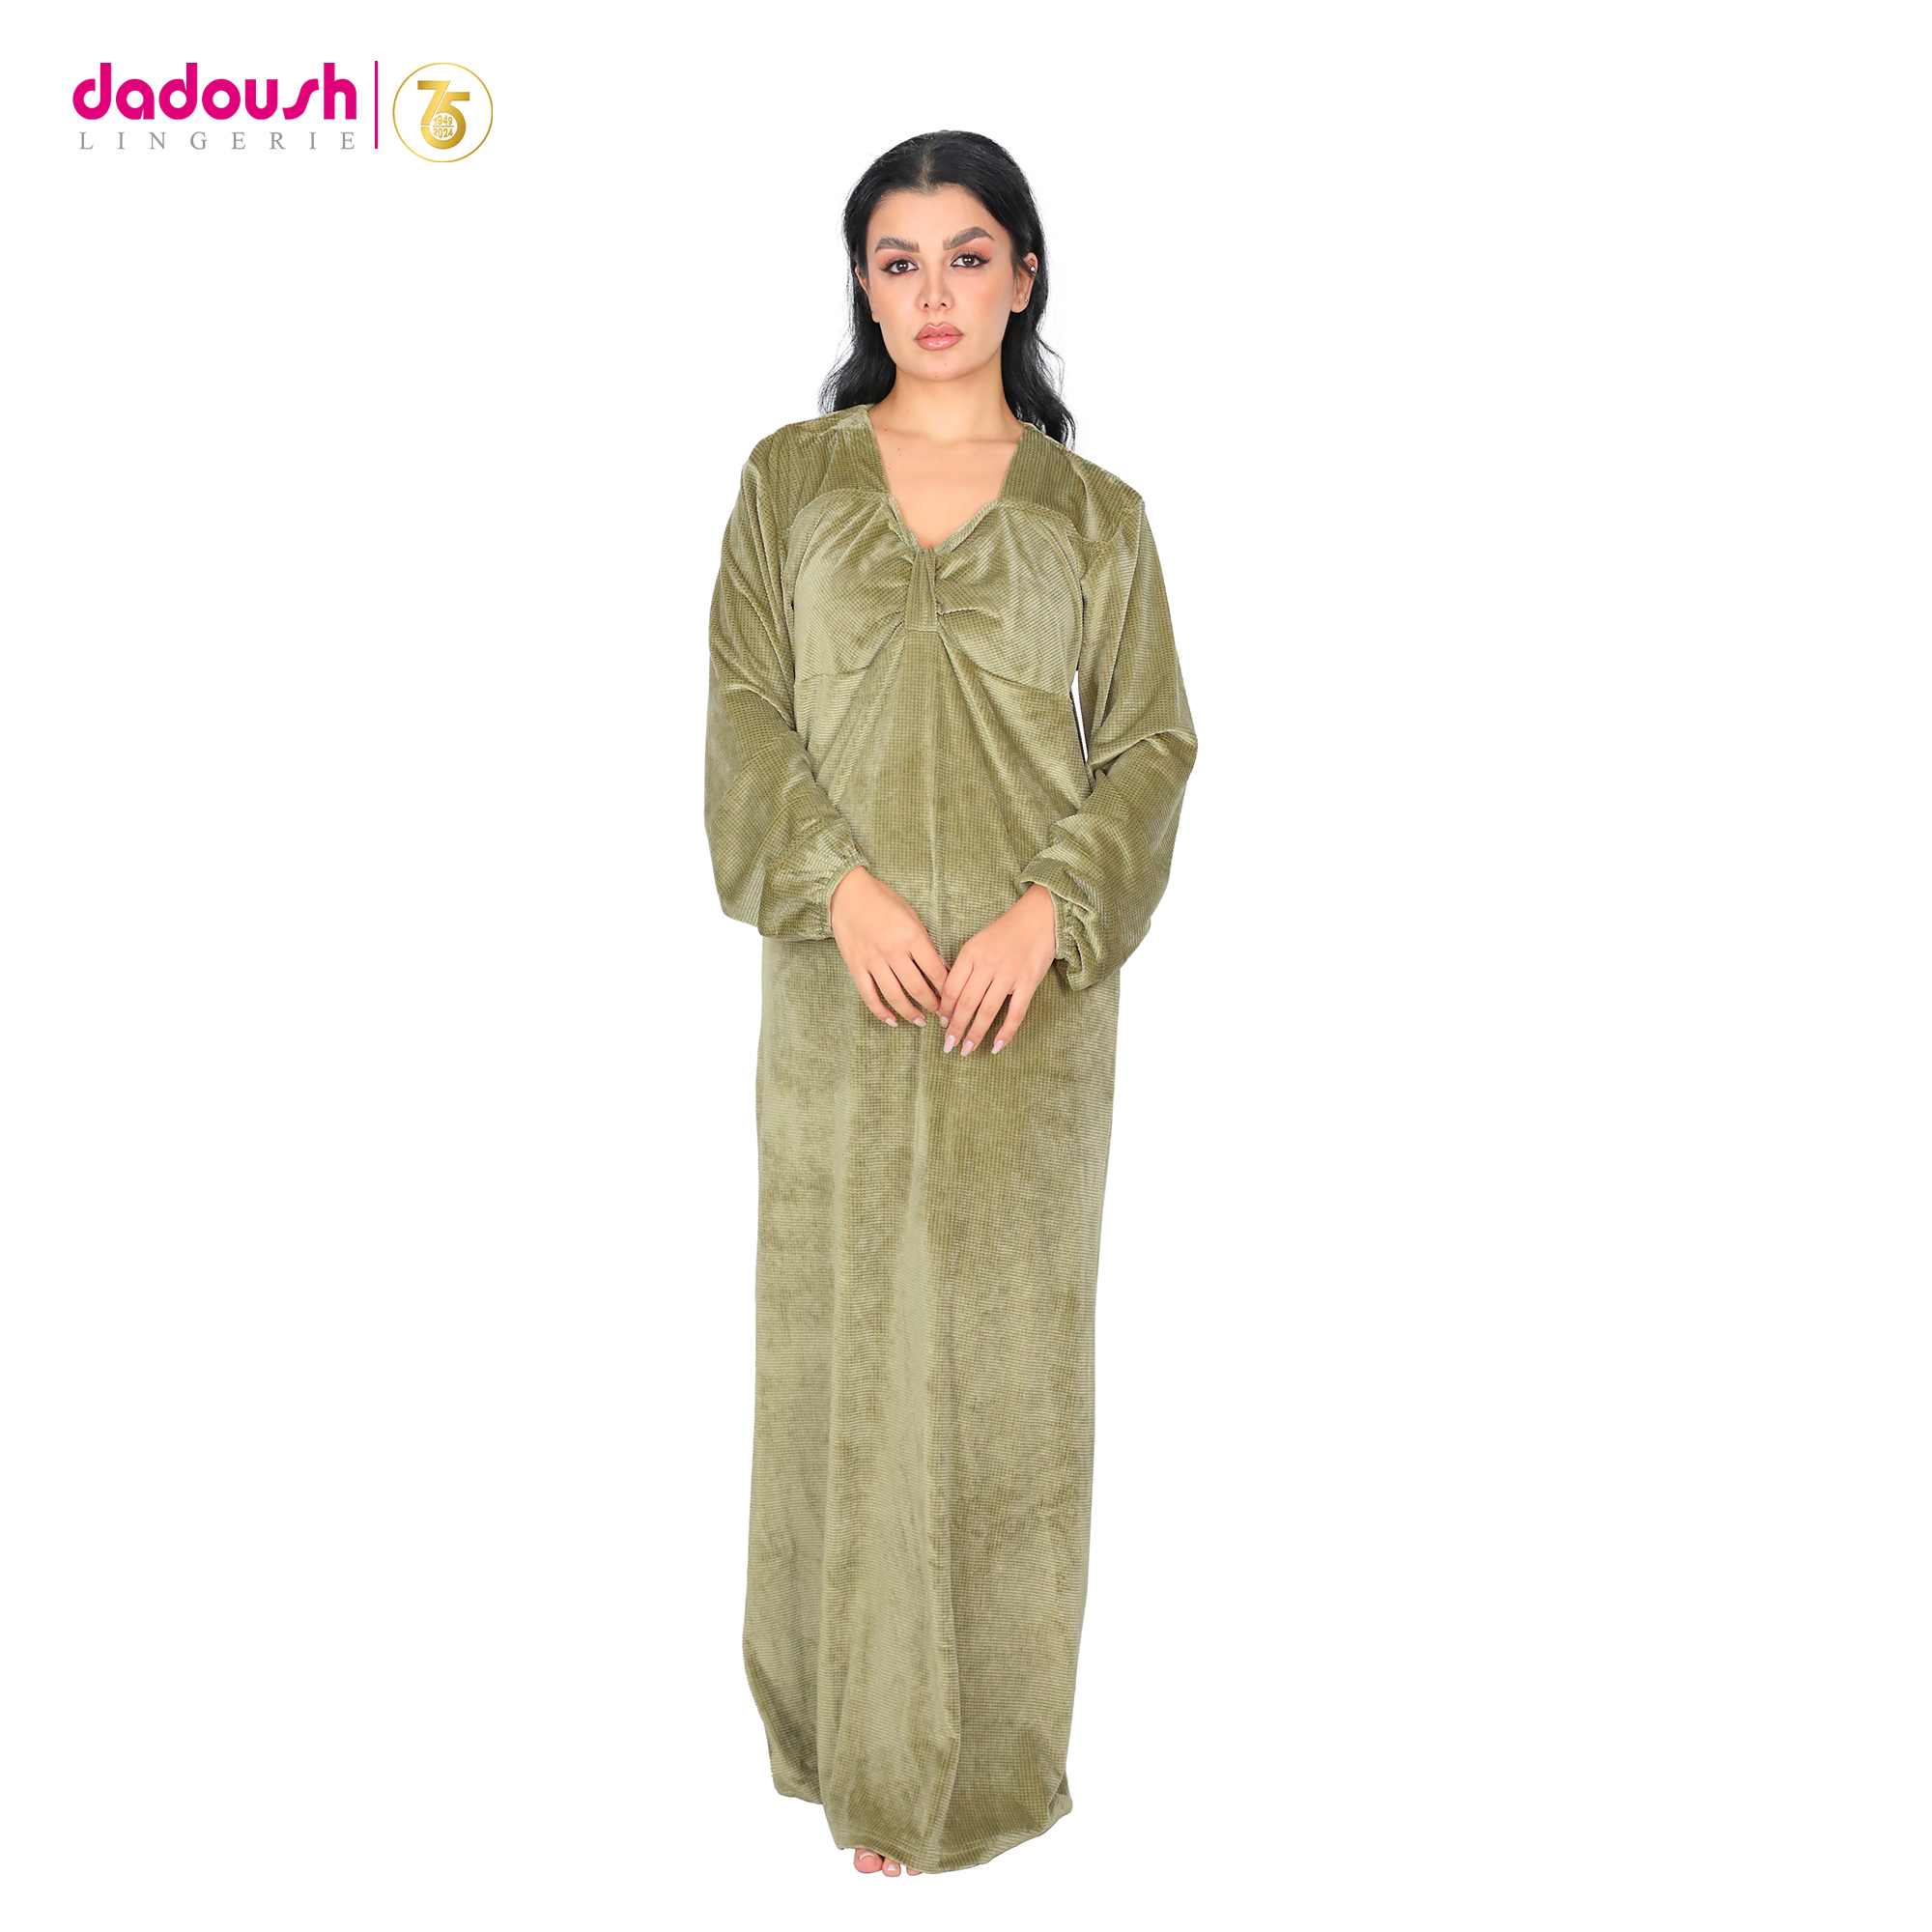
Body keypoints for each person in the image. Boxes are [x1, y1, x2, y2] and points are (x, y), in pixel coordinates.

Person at [702, 128, 1199, 1877]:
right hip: (837, 1004)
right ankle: (850, 1745)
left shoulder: (1093, 518)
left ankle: (970, 1774)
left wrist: (1049, 916)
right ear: (863, 282)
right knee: (839, 1349)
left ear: (1024, 275)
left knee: (1000, 1378)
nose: (933, 293)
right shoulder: (790, 484)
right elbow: (745, 710)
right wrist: (835, 888)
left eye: (968, 255)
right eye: (898, 259)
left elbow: (1152, 744)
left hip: (1021, 1024)